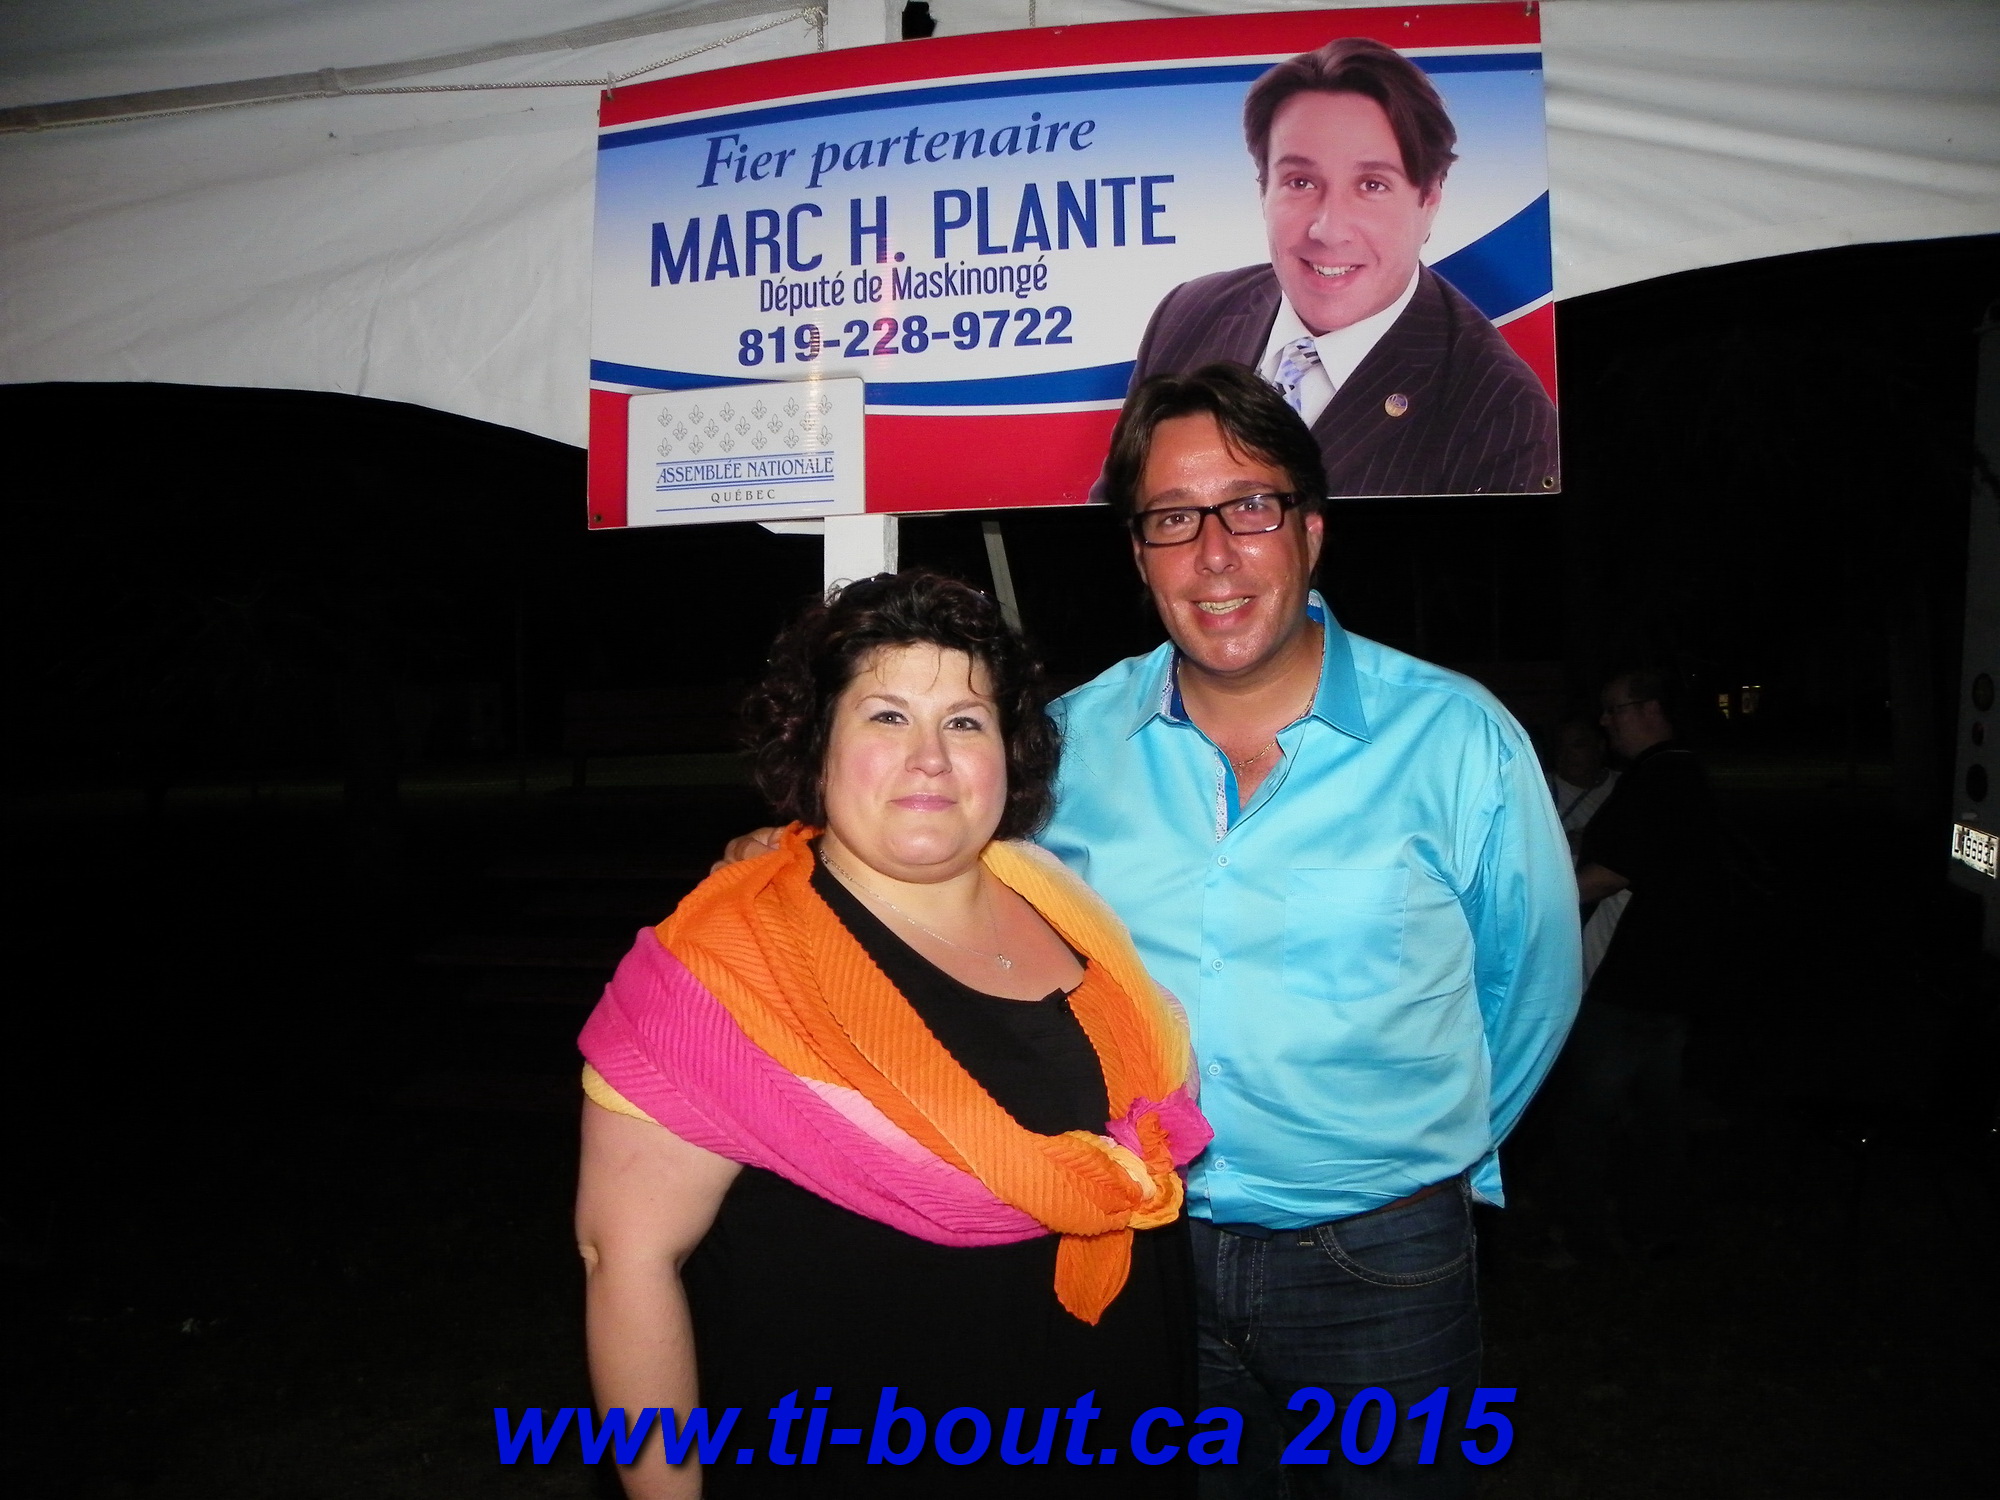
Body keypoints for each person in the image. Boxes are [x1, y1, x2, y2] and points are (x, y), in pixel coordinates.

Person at [721, 365, 1579, 1495]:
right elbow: (927, 878)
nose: (1214, 554)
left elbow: (1531, 990)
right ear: (1138, 554)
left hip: (1378, 1264)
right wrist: (790, 857)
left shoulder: (1458, 740)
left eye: (1250, 506)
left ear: (1311, 530)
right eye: (1173, 518)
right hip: (1136, 1244)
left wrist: (1420, 1156)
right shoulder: (1065, 748)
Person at [577, 571, 1210, 1498]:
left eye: (965, 722)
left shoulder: (1069, 910)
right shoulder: (722, 970)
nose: (931, 758)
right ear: (817, 744)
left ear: (1008, 751)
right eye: (886, 717)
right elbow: (628, 1263)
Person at [1126, 36, 1558, 498]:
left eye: (1372, 185)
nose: (1328, 230)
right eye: (1300, 182)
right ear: (1262, 189)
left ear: (1429, 199)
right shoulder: (1187, 314)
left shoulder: (1506, 419)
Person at [1555, 668, 1727, 1258]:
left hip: (1633, 983)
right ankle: (1656, 1224)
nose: (1605, 722)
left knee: (1589, 1115)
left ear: (1652, 709)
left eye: (1616, 709)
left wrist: (1527, 900)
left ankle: (1587, 1235)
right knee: (1657, 1115)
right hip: (1669, 979)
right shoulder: (1676, 774)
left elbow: (1609, 873)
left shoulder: (1660, 779)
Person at [1545, 713, 1629, 986]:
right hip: (1564, 910)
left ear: (1600, 746)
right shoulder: (1540, 788)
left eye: (1577, 745)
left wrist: (1595, 843)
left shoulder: (1626, 788)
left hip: (1615, 912)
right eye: (1560, 747)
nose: (1567, 755)